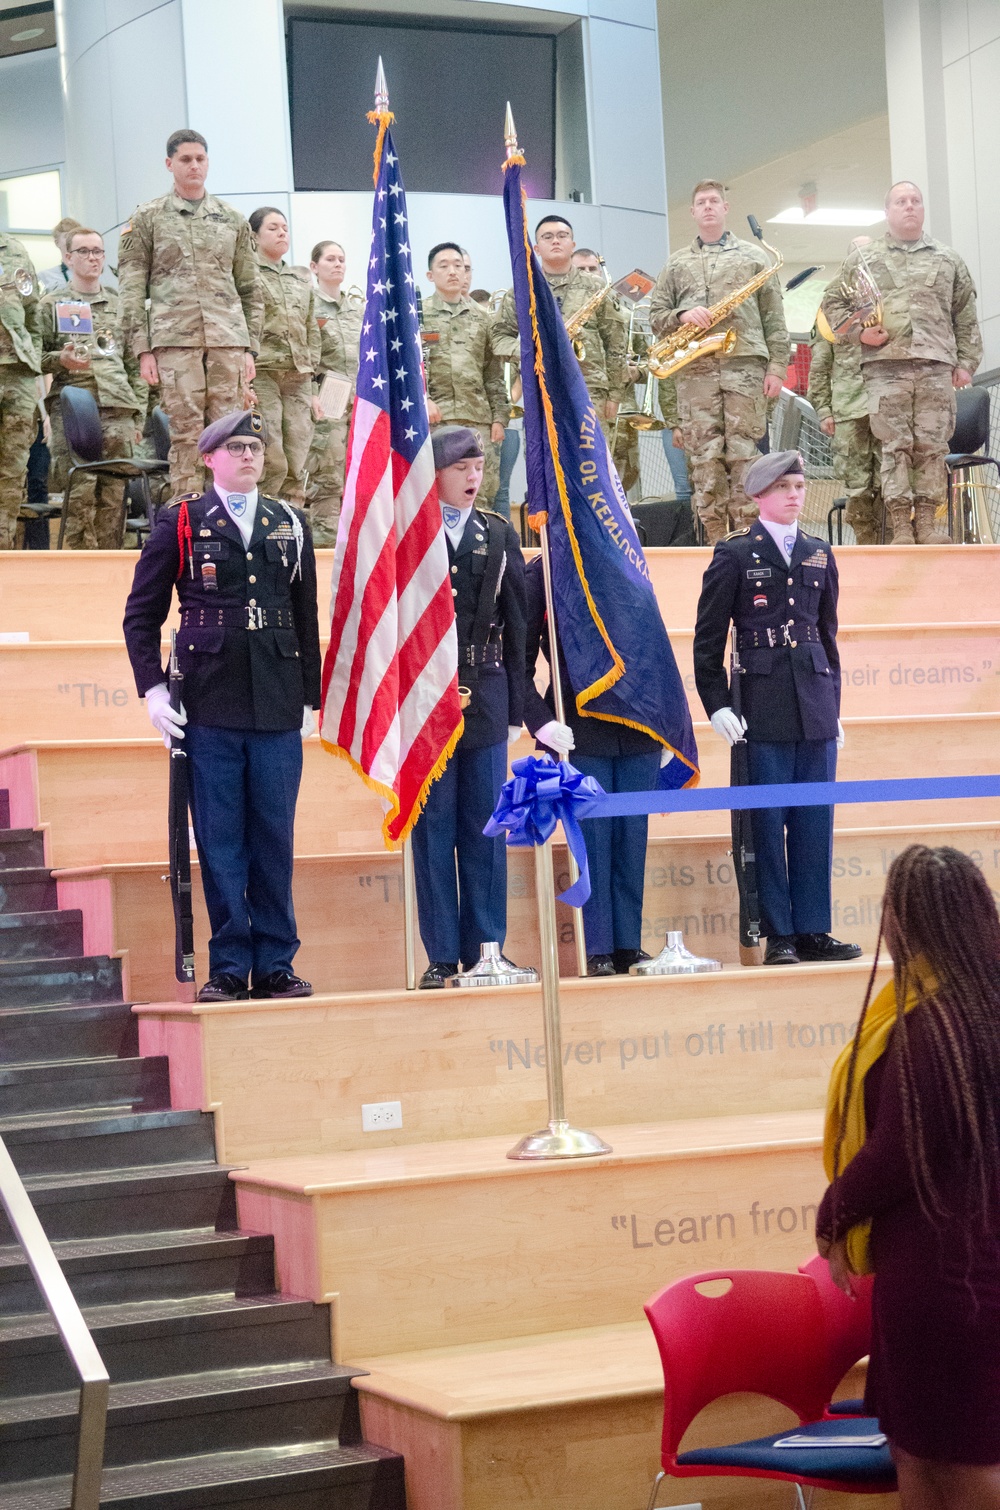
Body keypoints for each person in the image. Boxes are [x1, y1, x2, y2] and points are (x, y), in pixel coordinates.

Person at [817, 844, 1000, 1507]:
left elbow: (898, 1150)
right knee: (937, 1455)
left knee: (945, 1466)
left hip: (943, 1281)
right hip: (970, 1268)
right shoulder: (979, 1003)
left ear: (903, 920)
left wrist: (832, 1214)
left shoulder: (929, 1022)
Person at [122, 409, 320, 1003]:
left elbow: (305, 616)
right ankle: (230, 964)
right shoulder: (181, 521)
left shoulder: (290, 521)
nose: (249, 457)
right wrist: (153, 689)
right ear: (209, 458)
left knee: (274, 837)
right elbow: (141, 614)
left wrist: (310, 697)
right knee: (221, 840)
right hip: (210, 702)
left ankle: (277, 963)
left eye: (255, 447)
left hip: (278, 704)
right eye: (235, 448)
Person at [693, 449, 860, 966]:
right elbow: (707, 641)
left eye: (800, 486)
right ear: (760, 495)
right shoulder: (736, 553)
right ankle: (779, 933)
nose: (794, 494)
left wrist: (832, 705)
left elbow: (827, 635)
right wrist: (716, 704)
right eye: (784, 487)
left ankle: (812, 928)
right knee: (766, 822)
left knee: (814, 820)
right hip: (760, 707)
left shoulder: (818, 552)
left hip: (812, 704)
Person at [411, 426, 526, 988]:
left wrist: (522, 706)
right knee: (433, 830)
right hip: (426, 696)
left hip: (485, 689)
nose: (473, 480)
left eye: (479, 470)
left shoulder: (498, 535)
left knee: (486, 828)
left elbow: (520, 626)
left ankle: (487, 948)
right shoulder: (410, 533)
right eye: (461, 470)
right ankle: (440, 955)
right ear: (434, 475)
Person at [820, 181, 982, 544]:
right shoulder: (864, 258)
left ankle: (926, 524)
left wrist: (967, 361)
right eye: (901, 201)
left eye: (915, 201)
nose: (909, 206)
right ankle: (900, 528)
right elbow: (832, 306)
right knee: (894, 447)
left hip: (935, 366)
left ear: (923, 209)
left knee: (931, 446)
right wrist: (858, 335)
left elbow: (965, 314)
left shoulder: (947, 258)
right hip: (885, 367)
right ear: (887, 211)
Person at [523, 556, 657, 976]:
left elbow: (654, 645)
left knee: (632, 839)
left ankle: (627, 945)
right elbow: (519, 660)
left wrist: (670, 724)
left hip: (638, 720)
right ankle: (597, 947)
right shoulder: (544, 567)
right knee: (593, 840)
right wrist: (541, 722)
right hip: (579, 721)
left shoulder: (622, 547)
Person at [117, 129, 263, 496]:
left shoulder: (231, 219)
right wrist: (142, 349)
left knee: (231, 434)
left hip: (228, 342)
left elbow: (250, 288)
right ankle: (185, 522)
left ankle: (227, 519)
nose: (194, 165)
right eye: (185, 159)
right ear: (170, 164)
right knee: (185, 435)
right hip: (174, 342)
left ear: (208, 162)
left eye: (200, 158)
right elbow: (131, 289)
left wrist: (250, 348)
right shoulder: (147, 218)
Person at [649, 180, 790, 542]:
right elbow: (656, 314)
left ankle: (745, 533)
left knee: (746, 453)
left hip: (745, 368)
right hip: (695, 371)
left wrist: (776, 367)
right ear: (693, 212)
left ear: (725, 208)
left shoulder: (754, 257)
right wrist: (681, 315)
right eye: (701, 202)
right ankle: (713, 536)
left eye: (715, 201)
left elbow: (774, 318)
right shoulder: (676, 263)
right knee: (704, 455)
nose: (708, 206)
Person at [37, 227, 146, 549]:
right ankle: (73, 569)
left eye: (98, 251)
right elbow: (35, 357)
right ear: (68, 257)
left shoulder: (120, 303)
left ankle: (110, 569)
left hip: (118, 405)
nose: (92, 258)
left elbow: (135, 362)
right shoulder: (51, 304)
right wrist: (61, 359)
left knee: (115, 494)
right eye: (83, 251)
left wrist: (138, 415)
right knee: (80, 489)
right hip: (73, 405)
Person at [492, 215, 628, 442]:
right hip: (541, 391)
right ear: (536, 248)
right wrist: (530, 349)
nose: (556, 241)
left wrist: (614, 394)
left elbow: (615, 343)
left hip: (590, 390)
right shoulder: (522, 290)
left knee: (592, 467)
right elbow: (498, 337)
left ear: (572, 245)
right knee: (547, 468)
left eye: (562, 236)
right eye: (548, 237)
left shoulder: (597, 287)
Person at [809, 240, 884, 544]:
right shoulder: (832, 306)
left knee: (891, 482)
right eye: (858, 252)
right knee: (858, 487)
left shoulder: (888, 299)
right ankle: (868, 547)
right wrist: (823, 409)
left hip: (886, 404)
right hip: (848, 408)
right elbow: (820, 364)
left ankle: (891, 546)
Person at [422, 241, 506, 508]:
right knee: (432, 493)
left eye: (458, 266)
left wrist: (499, 417)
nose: (453, 271)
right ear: (430, 275)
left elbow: (493, 373)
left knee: (480, 495)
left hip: (477, 420)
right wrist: (421, 399)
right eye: (444, 266)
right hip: (434, 419)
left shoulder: (484, 318)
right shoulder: (417, 314)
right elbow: (406, 369)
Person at [248, 207, 320, 507]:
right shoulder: (247, 274)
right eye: (273, 228)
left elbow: (311, 328)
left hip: (298, 375)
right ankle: (265, 514)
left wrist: (312, 375)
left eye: (285, 228)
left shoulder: (299, 280)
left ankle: (291, 520)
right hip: (263, 371)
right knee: (272, 450)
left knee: (299, 452)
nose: (281, 233)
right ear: (254, 236)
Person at [303, 239, 363, 546]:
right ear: (314, 267)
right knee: (327, 479)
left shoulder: (357, 310)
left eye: (341, 259)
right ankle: (326, 549)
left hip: (360, 405)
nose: (337, 264)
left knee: (360, 480)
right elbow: (304, 358)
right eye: (330, 259)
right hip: (327, 404)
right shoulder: (307, 305)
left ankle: (355, 548)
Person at [0, 225, 42, 548]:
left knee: (13, 467)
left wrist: (34, 358)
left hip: (17, 371)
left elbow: (33, 311)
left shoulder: (15, 250)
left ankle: (3, 545)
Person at [38, 217, 82, 293]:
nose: (71, 239)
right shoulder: (44, 276)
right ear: (57, 242)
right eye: (66, 236)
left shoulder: (92, 272)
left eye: (75, 235)